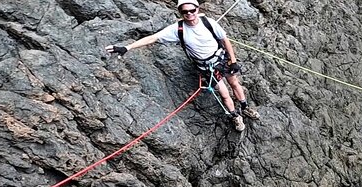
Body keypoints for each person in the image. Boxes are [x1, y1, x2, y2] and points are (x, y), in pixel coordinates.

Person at [105, 0, 259, 132]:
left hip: (221, 59)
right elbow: (153, 38)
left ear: (197, 9)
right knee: (224, 94)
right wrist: (127, 47)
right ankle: (235, 116)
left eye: (192, 10)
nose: (189, 14)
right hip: (206, 67)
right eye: (185, 11)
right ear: (180, 12)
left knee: (234, 83)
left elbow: (225, 40)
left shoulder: (208, 23)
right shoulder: (177, 29)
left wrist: (233, 60)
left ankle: (245, 107)